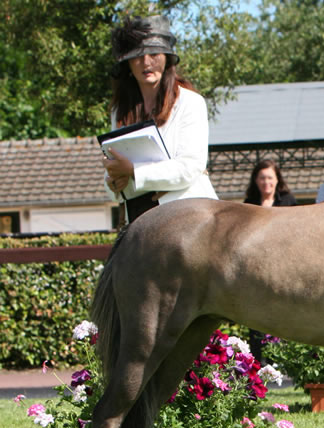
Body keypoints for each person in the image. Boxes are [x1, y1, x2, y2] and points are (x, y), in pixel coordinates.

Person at [102, 15, 218, 224]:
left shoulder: (191, 103)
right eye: (137, 56)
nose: (146, 62)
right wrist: (113, 182)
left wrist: (133, 172)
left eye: (154, 54)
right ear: (127, 63)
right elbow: (114, 175)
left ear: (167, 57)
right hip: (140, 222)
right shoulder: (119, 110)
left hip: (193, 221)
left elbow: (190, 167)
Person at [243, 159, 296, 361]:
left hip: (284, 267)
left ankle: (279, 362)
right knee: (255, 315)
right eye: (262, 178)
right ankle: (256, 362)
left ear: (277, 180)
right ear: (256, 180)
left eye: (270, 178)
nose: (266, 182)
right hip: (255, 269)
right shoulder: (248, 205)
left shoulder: (289, 202)